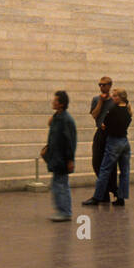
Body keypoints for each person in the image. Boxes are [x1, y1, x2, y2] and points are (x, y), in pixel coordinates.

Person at [85, 88, 131, 206]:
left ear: (120, 97)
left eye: (115, 96)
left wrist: (106, 125)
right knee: (124, 171)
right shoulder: (127, 109)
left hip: (114, 142)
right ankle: (121, 198)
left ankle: (97, 197)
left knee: (104, 169)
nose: (113, 97)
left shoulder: (113, 110)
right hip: (125, 141)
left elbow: (105, 125)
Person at [41, 90, 77, 221]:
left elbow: (70, 142)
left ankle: (65, 212)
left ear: (61, 104)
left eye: (55, 100)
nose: (53, 102)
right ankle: (61, 210)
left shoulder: (66, 120)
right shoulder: (57, 117)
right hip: (56, 157)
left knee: (61, 185)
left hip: (62, 158)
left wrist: (70, 160)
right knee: (58, 184)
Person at [88, 77, 118, 203]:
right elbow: (94, 115)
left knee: (110, 165)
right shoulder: (96, 99)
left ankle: (110, 191)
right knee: (96, 162)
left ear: (110, 85)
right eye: (100, 85)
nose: (101, 87)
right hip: (100, 133)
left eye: (104, 85)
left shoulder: (115, 101)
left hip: (112, 134)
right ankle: (105, 191)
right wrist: (100, 102)